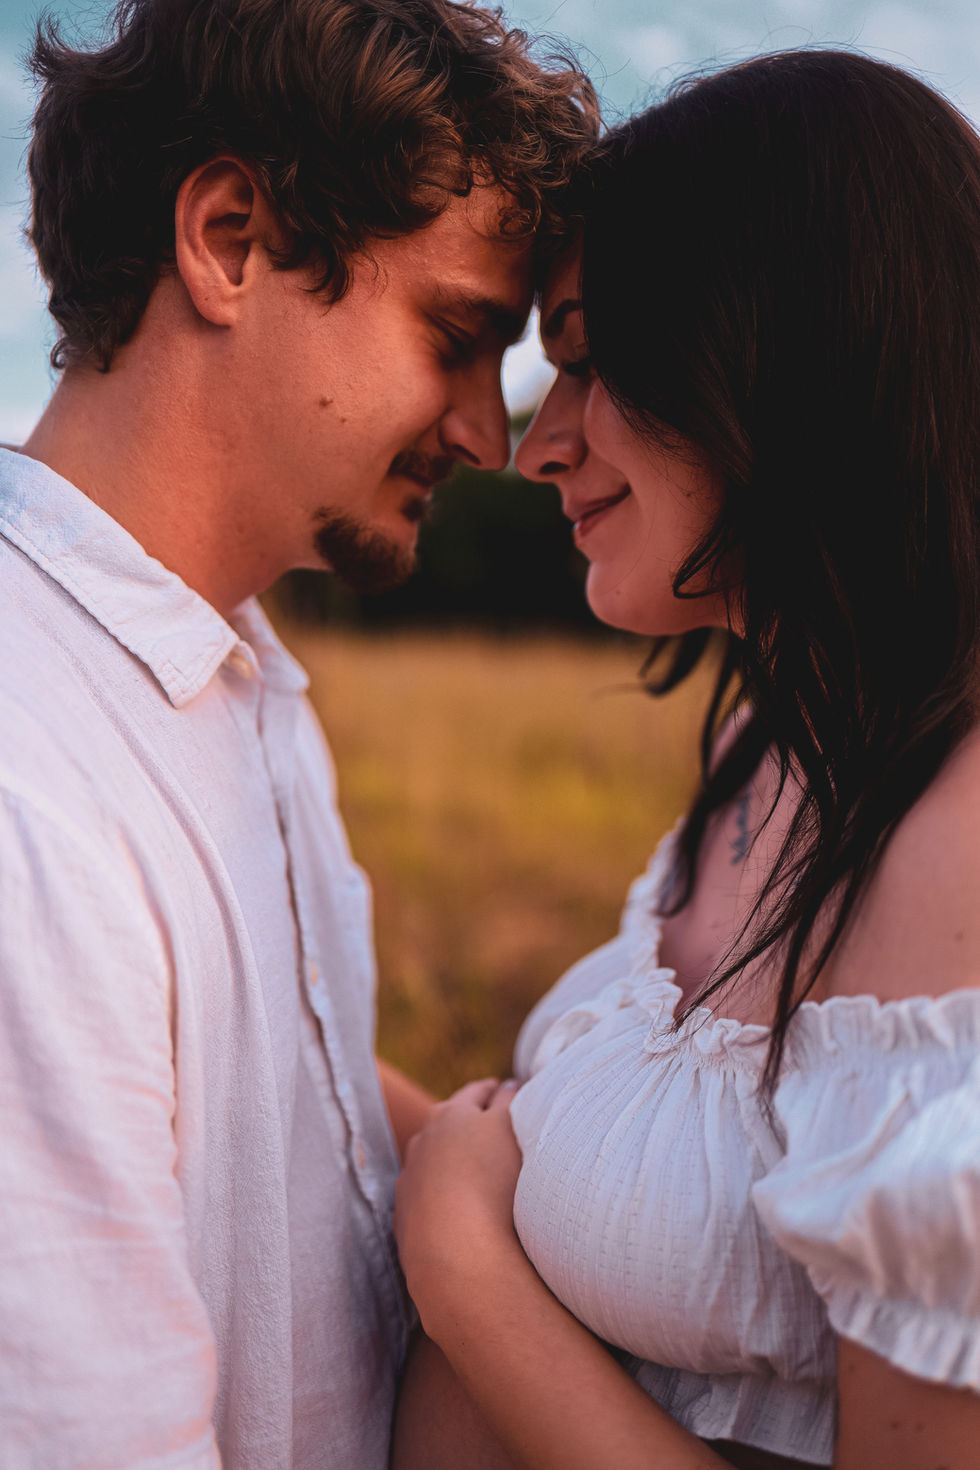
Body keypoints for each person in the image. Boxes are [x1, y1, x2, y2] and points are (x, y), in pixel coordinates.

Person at [0, 1, 597, 1465]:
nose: (491, 435)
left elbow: (267, 1120)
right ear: (228, 241)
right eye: (456, 335)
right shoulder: (28, 767)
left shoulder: (234, 670)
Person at [392, 49, 980, 1470]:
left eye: (590, 362)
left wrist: (462, 1266)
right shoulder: (763, 739)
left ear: (785, 351)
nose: (538, 445)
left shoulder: (954, 840)